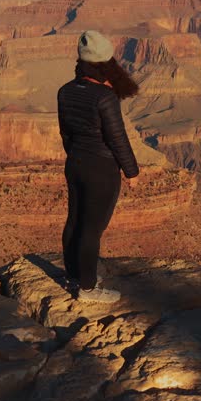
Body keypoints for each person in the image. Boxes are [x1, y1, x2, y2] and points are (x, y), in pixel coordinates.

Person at [56, 29, 140, 303]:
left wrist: (77, 156)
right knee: (92, 229)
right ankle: (88, 289)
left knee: (74, 221)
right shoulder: (104, 97)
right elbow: (117, 138)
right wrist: (131, 171)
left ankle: (75, 275)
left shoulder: (65, 91)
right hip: (101, 171)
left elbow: (66, 134)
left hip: (76, 164)